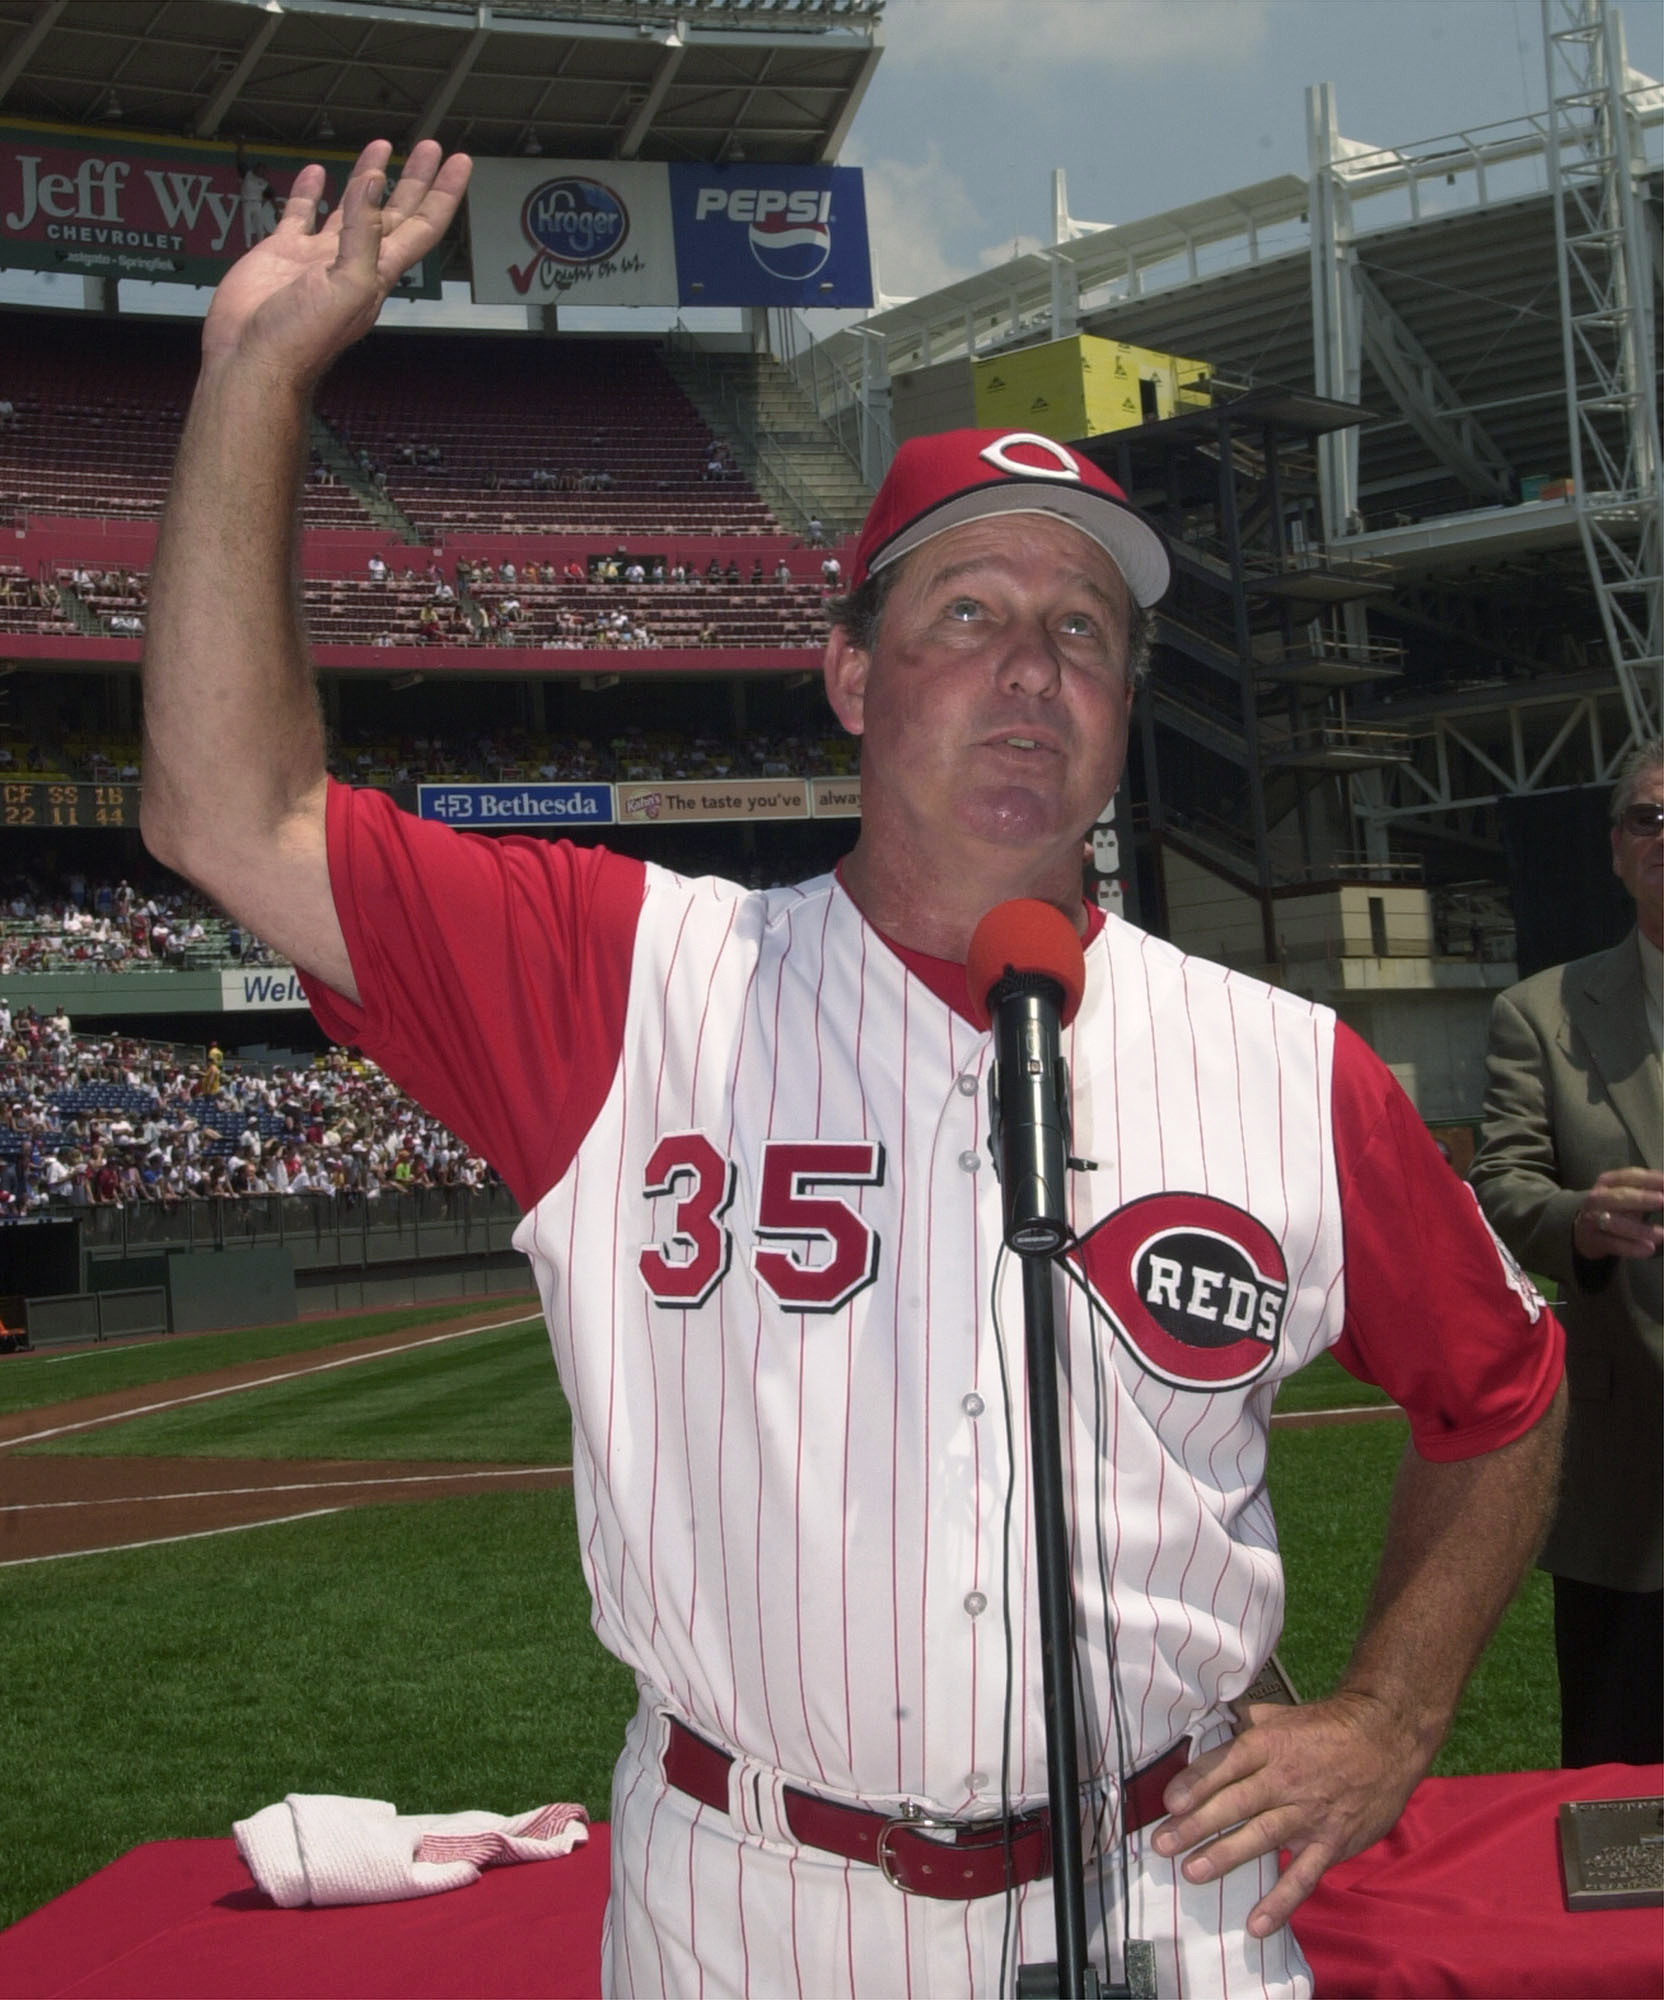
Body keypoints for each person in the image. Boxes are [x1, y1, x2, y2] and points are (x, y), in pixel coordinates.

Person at [141, 140, 1565, 2000]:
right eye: (964, 615)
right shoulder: (623, 976)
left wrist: (1388, 1712)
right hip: (750, 1902)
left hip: (1168, 1885)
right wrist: (255, 377)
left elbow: (1506, 1392)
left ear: (1122, 706)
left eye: (1081, 632)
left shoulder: (1283, 1066)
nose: (1029, 671)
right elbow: (225, 815)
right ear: (847, 675)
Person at [1469, 738, 1663, 1767]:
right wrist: (1577, 1220)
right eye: (1647, 817)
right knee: (1621, 1789)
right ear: (1615, 847)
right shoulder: (1537, 1015)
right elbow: (1497, 1189)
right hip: (1625, 1468)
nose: (1663, 836)